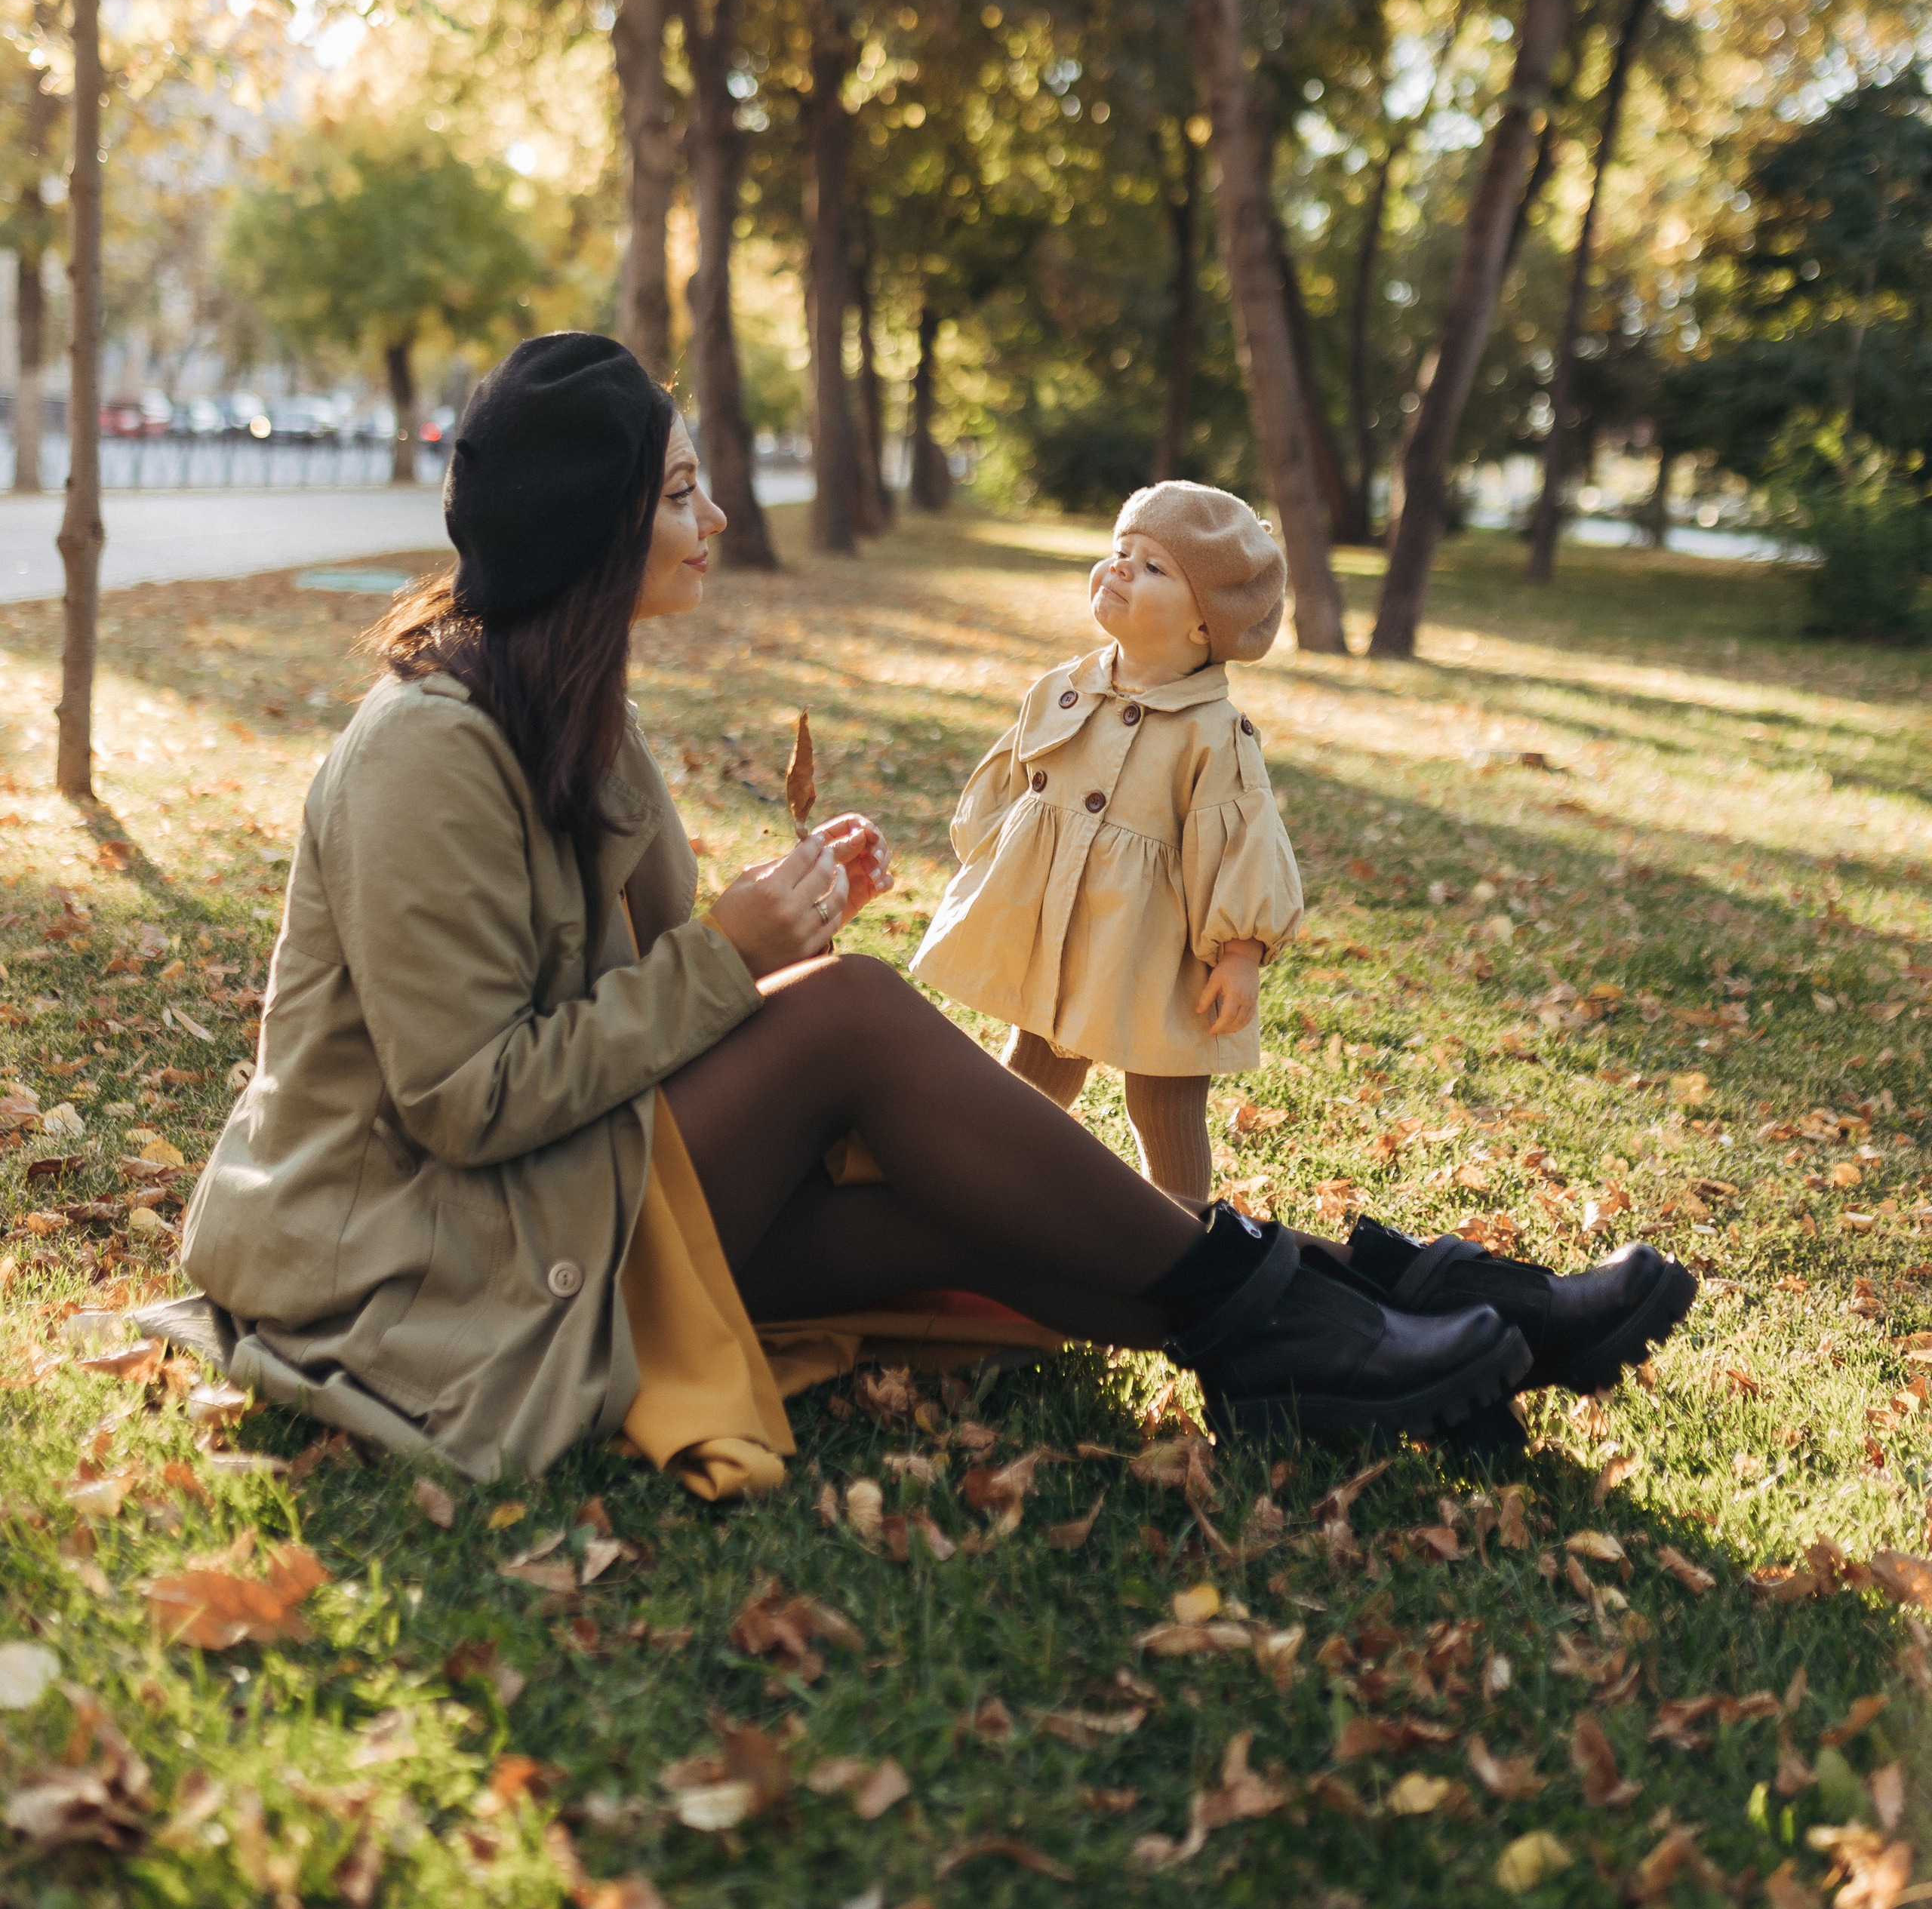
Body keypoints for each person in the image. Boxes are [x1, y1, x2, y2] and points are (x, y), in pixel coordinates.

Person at [172, 334, 1696, 1493]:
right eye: (685, 491)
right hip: (419, 1244)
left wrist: (761, 924)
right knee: (844, 1021)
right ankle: (1346, 1323)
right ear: (592, 531)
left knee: (955, 1204)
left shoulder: (576, 716)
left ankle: (1381, 1315)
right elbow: (466, 1100)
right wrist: (744, 959)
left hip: (573, 1185)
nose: (714, 518)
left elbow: (637, 998)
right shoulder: (427, 755)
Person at [912, 479, 1303, 1200]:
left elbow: (1244, 843)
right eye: (1120, 551)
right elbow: (1017, 775)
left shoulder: (1215, 737)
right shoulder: (1065, 688)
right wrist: (990, 848)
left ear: (1204, 627)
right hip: (1060, 923)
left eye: (1154, 567)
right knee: (1037, 1063)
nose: (1120, 568)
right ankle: (978, 1191)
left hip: (1156, 947)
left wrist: (1242, 953)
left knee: (1162, 1098)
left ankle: (1183, 1233)